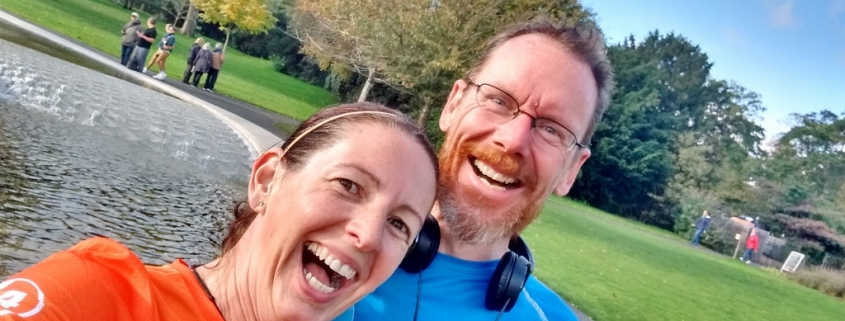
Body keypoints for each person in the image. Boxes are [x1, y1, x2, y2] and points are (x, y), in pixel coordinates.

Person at [0, 102, 440, 321]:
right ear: (266, 180)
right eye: (348, 185)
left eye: (399, 224)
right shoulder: (101, 295)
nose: (367, 234)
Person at [350, 18, 614, 321]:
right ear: (452, 106)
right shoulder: (331, 256)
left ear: (572, 169)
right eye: (498, 100)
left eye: (552, 130)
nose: (513, 140)